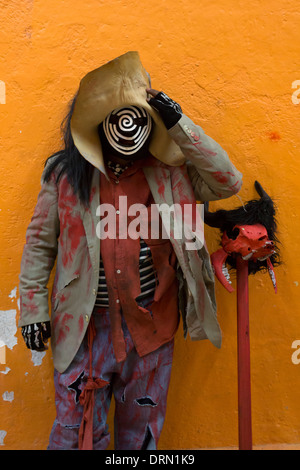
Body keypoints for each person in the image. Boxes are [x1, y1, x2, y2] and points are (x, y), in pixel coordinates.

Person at [18, 51, 243, 450]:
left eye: (138, 119)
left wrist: (180, 123)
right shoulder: (65, 175)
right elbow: (39, 244)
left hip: (151, 327)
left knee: (141, 439)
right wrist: (33, 310)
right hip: (82, 330)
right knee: (75, 434)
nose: (127, 131)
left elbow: (227, 181)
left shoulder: (172, 173)